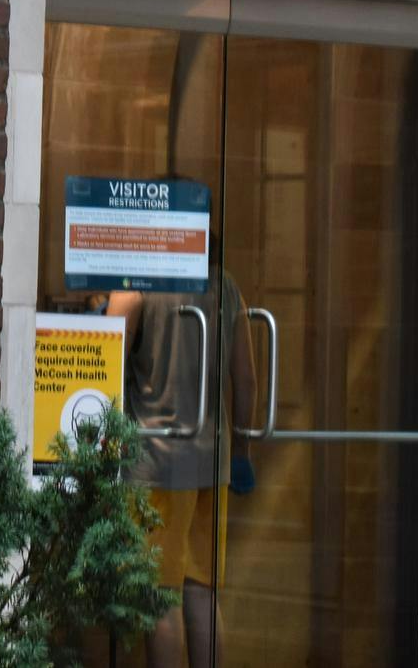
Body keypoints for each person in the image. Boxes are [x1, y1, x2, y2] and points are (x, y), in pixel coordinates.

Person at [107, 263, 257, 668]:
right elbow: (246, 380)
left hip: (157, 462)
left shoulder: (138, 280)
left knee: (160, 595)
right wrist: (241, 451)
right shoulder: (225, 284)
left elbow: (102, 364)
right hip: (212, 461)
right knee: (202, 593)